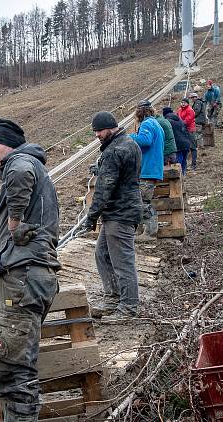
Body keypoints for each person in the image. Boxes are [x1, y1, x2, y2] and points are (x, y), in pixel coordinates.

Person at [0, 118, 61, 422]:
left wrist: (14, 221)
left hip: (21, 276)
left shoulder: (21, 161)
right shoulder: (27, 164)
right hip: (15, 277)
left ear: (9, 142)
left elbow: (20, 170)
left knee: (14, 373)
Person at [83, 111, 143, 323]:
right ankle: (113, 298)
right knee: (102, 255)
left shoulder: (114, 150)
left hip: (120, 212)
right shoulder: (129, 144)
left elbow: (104, 187)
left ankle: (128, 307)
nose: (97, 135)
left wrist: (91, 216)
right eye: (95, 131)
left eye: (99, 130)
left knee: (122, 261)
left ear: (110, 127)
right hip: (122, 210)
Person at [129, 100, 164, 240]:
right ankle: (141, 230)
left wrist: (128, 137)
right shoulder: (156, 124)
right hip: (153, 168)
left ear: (139, 112)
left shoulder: (147, 124)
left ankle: (150, 232)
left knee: (143, 201)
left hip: (147, 169)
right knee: (142, 201)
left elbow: (144, 140)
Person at [162, 108, 193, 175]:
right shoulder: (180, 119)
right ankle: (183, 175)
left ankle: (179, 177)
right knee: (184, 161)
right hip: (186, 143)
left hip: (178, 145)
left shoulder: (167, 121)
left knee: (178, 162)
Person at [176, 97, 197, 170]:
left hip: (190, 129)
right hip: (182, 130)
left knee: (192, 147)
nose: (183, 104)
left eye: (184, 102)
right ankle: (185, 163)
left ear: (187, 103)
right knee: (185, 146)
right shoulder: (179, 110)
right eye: (182, 102)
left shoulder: (190, 110)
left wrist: (180, 124)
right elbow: (177, 117)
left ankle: (194, 164)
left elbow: (188, 120)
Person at [189, 92, 206, 166]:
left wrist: (192, 116)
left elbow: (196, 111)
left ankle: (199, 146)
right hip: (200, 120)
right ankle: (200, 145)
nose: (192, 99)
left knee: (198, 134)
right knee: (199, 133)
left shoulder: (198, 103)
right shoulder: (198, 102)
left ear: (195, 97)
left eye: (193, 97)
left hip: (198, 120)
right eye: (191, 98)